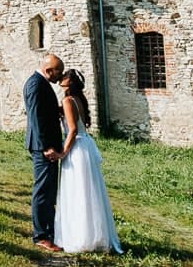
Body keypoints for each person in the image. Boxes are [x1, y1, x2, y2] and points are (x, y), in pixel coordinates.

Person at [54, 68, 124, 254]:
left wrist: (63, 153)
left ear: (70, 82)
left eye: (65, 76)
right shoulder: (79, 100)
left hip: (76, 147)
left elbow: (73, 130)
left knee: (78, 191)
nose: (62, 77)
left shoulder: (68, 100)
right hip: (85, 146)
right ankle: (94, 235)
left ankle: (81, 237)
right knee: (89, 190)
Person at [24, 53, 66, 252]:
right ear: (49, 70)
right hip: (44, 148)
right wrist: (45, 146)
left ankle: (48, 231)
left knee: (49, 190)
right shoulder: (35, 84)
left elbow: (44, 112)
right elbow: (36, 118)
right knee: (42, 190)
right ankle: (41, 235)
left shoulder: (42, 83)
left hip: (48, 146)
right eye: (59, 72)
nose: (61, 76)